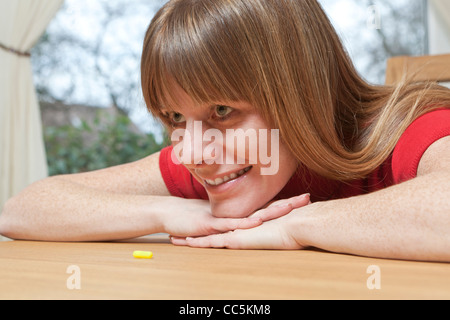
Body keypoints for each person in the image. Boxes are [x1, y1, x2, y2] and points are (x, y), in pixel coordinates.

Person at [1, 0, 450, 262]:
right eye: (176, 118)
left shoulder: (407, 128)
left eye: (222, 109)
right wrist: (167, 213)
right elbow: (23, 209)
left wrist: (297, 227)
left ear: (300, 90)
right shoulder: (220, 160)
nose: (191, 154)